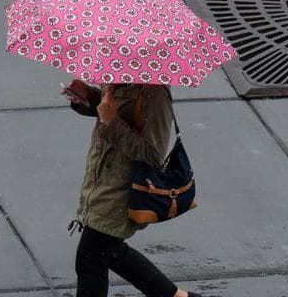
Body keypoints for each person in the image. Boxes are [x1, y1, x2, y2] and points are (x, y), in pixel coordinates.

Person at [61, 80, 203, 297]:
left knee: (90, 259)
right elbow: (111, 107)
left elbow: (154, 154)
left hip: (122, 190)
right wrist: (87, 96)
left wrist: (111, 121)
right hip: (101, 181)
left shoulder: (155, 93)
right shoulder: (118, 76)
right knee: (109, 251)